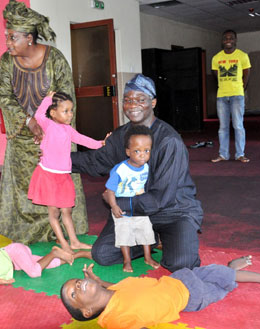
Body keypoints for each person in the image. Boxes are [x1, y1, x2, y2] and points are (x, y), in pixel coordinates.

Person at [71, 74, 203, 273]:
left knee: (180, 263)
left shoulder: (169, 142)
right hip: (135, 214)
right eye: (128, 100)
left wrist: (116, 203)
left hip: (172, 212)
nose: (133, 105)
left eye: (141, 100)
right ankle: (149, 240)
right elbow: (96, 161)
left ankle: (158, 238)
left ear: (153, 102)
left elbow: (161, 199)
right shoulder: (121, 136)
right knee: (103, 254)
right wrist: (57, 160)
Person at [0, 0, 89, 245]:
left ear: (29, 38)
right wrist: (28, 122)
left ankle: (62, 232)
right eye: (6, 37)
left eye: (12, 37)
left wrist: (48, 129)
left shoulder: (55, 59)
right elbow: (3, 95)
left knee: (58, 186)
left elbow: (66, 98)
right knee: (27, 186)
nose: (8, 43)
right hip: (22, 135)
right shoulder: (6, 62)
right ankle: (27, 233)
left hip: (54, 138)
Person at [61, 258, 260, 329]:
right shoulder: (114, 319)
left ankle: (229, 270)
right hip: (192, 297)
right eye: (74, 293)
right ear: (87, 310)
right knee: (224, 283)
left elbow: (118, 287)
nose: (78, 284)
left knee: (216, 272)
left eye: (76, 282)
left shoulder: (113, 291)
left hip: (178, 278)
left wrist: (99, 280)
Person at [28, 91, 107, 253]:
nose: (70, 114)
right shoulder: (48, 125)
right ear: (53, 113)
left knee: (67, 210)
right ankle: (63, 243)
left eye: (71, 110)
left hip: (63, 176)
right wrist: (48, 98)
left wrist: (101, 143)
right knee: (54, 211)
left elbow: (83, 140)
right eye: (66, 111)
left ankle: (74, 242)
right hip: (48, 175)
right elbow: (38, 114)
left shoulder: (68, 130)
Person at [103, 125, 159, 272]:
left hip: (138, 207)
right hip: (122, 207)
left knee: (146, 231)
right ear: (128, 152)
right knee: (124, 235)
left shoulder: (146, 167)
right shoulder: (120, 170)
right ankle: (127, 261)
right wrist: (114, 206)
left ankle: (148, 257)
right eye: (137, 151)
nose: (142, 155)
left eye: (146, 151)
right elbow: (109, 191)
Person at [211, 29, 251, 163]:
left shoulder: (242, 56)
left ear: (235, 40)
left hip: (237, 96)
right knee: (223, 127)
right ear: (222, 41)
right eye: (226, 38)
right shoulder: (216, 58)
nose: (228, 41)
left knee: (238, 125)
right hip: (221, 96)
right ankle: (223, 154)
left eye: (231, 38)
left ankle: (240, 154)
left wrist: (241, 88)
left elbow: (247, 74)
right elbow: (216, 74)